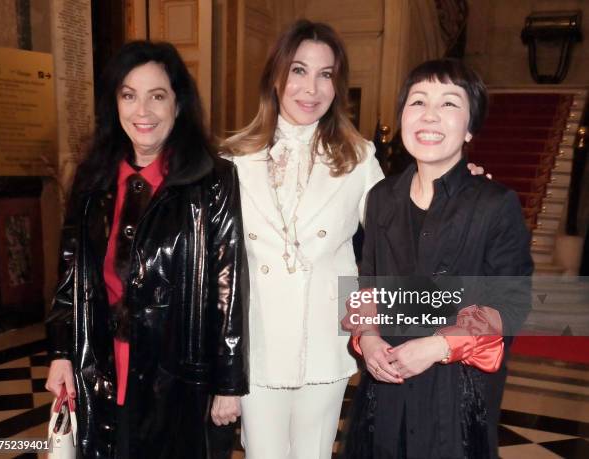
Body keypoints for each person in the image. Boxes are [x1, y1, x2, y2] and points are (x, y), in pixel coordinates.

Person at [222, 21, 485, 459]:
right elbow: (219, 270)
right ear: (276, 77)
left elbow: (403, 224)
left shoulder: (358, 156)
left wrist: (457, 184)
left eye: (326, 75)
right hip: (257, 341)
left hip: (324, 339)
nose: (311, 88)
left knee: (314, 452)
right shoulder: (232, 159)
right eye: (299, 71)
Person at [45, 41, 248, 459]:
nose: (143, 111)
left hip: (178, 375)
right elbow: (70, 273)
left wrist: (228, 385)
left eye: (157, 96)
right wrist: (61, 353)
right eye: (129, 95)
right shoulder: (92, 181)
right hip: (102, 366)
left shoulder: (212, 181)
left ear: (178, 104)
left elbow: (228, 287)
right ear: (114, 104)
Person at [342, 59, 533, 459]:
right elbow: (368, 283)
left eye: (448, 103)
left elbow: (512, 304)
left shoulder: (495, 204)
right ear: (401, 117)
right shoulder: (381, 199)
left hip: (456, 398)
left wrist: (436, 346)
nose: (429, 115)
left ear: (469, 128)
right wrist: (371, 337)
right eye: (417, 102)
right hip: (385, 389)